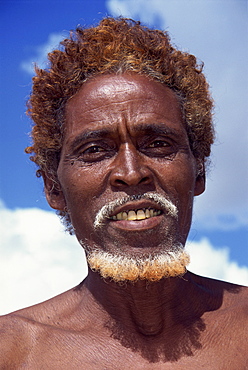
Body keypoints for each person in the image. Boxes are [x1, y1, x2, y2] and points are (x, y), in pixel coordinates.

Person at [0, 17, 247, 368]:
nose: (131, 174)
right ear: (54, 189)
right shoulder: (12, 353)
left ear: (199, 172)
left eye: (159, 144)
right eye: (95, 150)